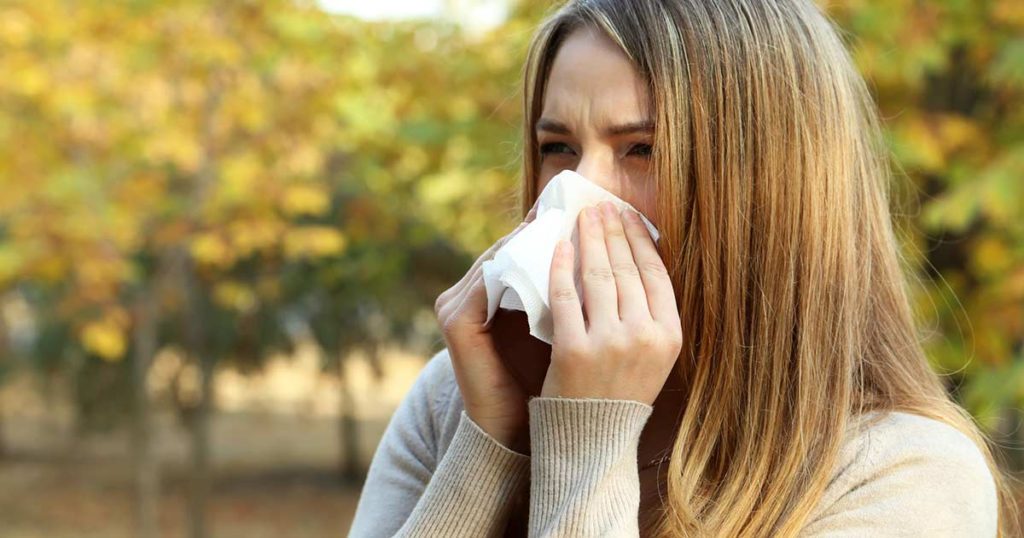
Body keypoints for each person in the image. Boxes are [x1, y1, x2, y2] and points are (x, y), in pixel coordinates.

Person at [348, 0, 1019, 536]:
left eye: (642, 148)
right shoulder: (457, 394)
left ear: (775, 187)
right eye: (557, 147)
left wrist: (588, 434)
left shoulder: (903, 473)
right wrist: (494, 440)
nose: (580, 194)